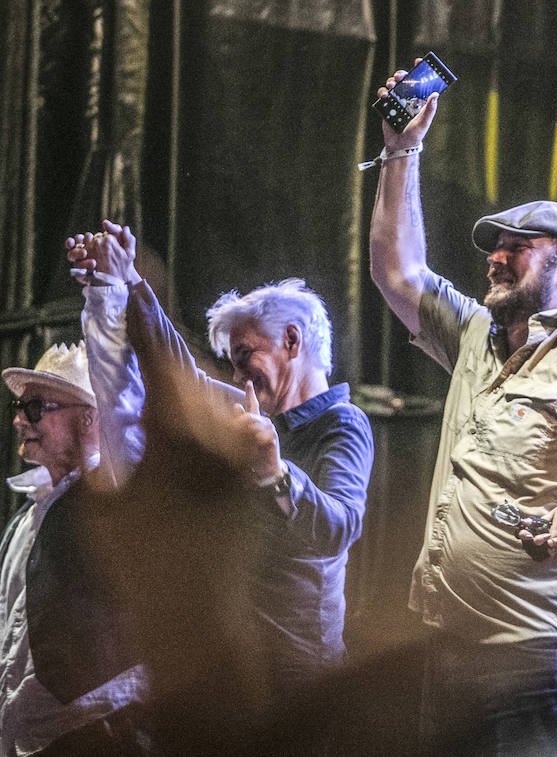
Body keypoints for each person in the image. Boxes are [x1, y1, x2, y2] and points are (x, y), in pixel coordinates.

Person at [367, 66, 557, 756]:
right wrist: (399, 150)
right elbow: (397, 271)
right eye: (495, 247)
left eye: (515, 249)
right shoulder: (475, 333)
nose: (495, 258)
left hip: (539, 658)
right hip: (448, 649)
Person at [66, 223, 374, 699]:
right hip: (242, 672)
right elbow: (181, 372)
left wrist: (275, 472)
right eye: (232, 361)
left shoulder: (342, 423)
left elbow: (337, 529)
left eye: (246, 354)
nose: (238, 374)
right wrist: (128, 282)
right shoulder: (253, 411)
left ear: (292, 341)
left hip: (299, 681)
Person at [1, 341, 149, 756]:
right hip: (33, 739)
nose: (18, 420)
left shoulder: (115, 502)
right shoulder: (26, 519)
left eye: (34, 409)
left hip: (102, 734)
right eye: (19, 407)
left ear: (88, 419)